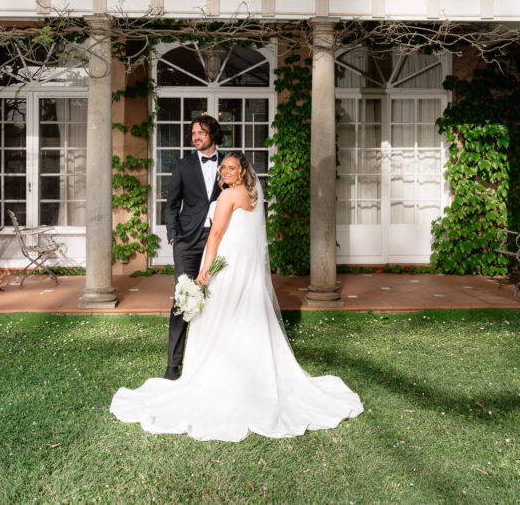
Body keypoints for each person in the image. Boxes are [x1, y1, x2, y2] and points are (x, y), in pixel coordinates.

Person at [111, 151, 363, 442]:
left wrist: (204, 271)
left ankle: (218, 377)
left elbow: (216, 235)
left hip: (228, 268)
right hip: (246, 269)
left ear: (243, 171)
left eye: (231, 168)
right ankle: (253, 374)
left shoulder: (228, 196)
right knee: (244, 318)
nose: (225, 172)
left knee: (221, 317)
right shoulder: (253, 196)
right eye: (223, 168)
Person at [161, 114, 223, 380]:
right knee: (183, 299)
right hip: (187, 241)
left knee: (218, 296)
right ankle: (173, 365)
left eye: (201, 132)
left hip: (219, 239)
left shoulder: (228, 163)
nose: (196, 137)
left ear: (213, 134)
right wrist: (173, 236)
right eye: (193, 133)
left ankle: (213, 360)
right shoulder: (183, 165)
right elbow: (171, 204)